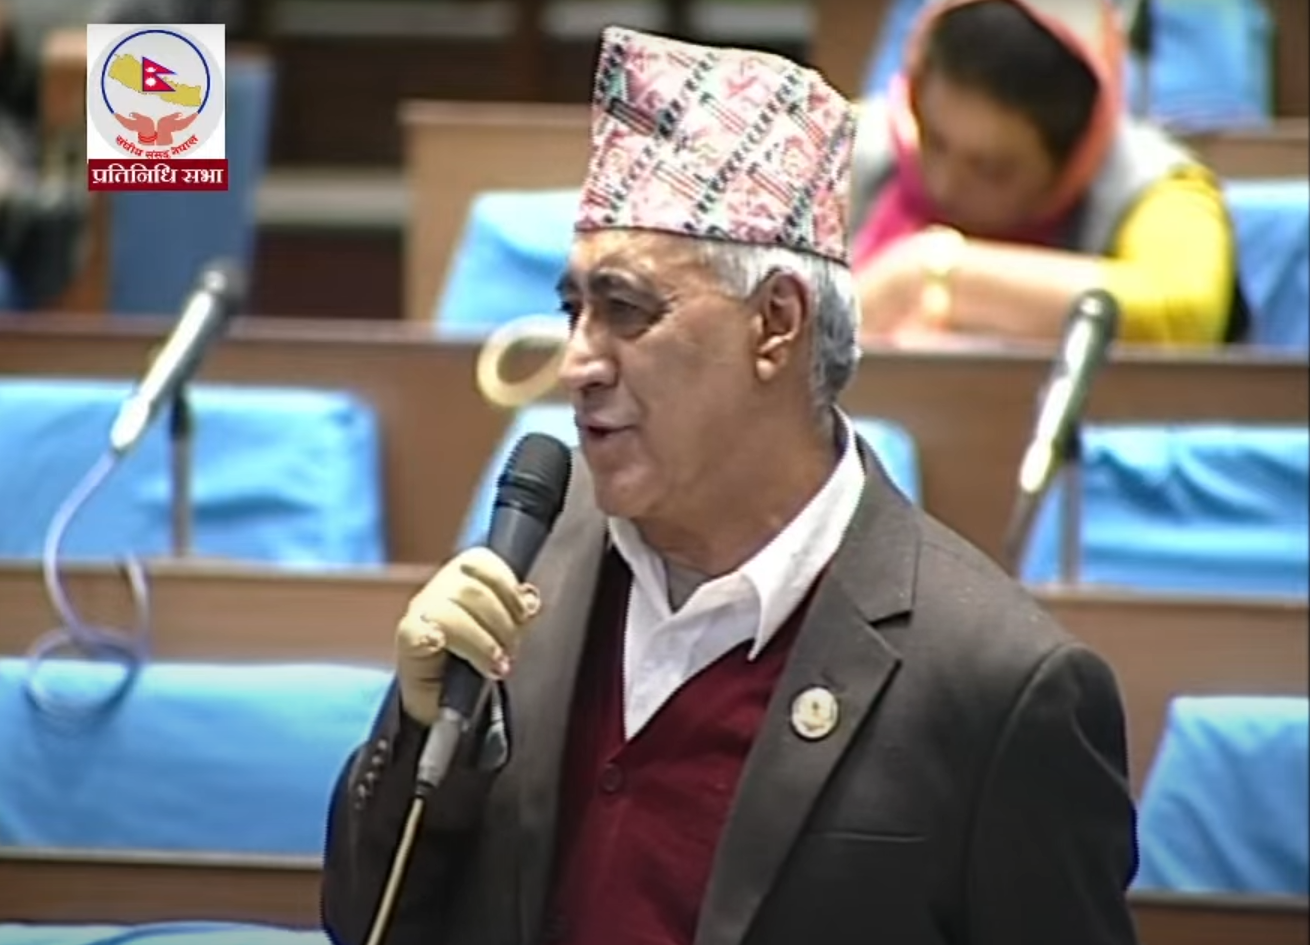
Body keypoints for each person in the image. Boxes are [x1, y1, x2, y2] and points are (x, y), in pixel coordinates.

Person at [321, 25, 1140, 945]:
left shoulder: (998, 685)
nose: (578, 362)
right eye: (574, 310)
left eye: (626, 310)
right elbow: (366, 921)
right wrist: (418, 727)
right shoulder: (532, 565)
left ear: (776, 325)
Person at [850, 0, 1248, 347]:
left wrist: (933, 273)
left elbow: (1182, 313)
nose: (944, 185)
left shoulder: (1159, 187)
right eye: (933, 140)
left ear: (1074, 152)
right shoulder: (847, 143)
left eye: (991, 169)